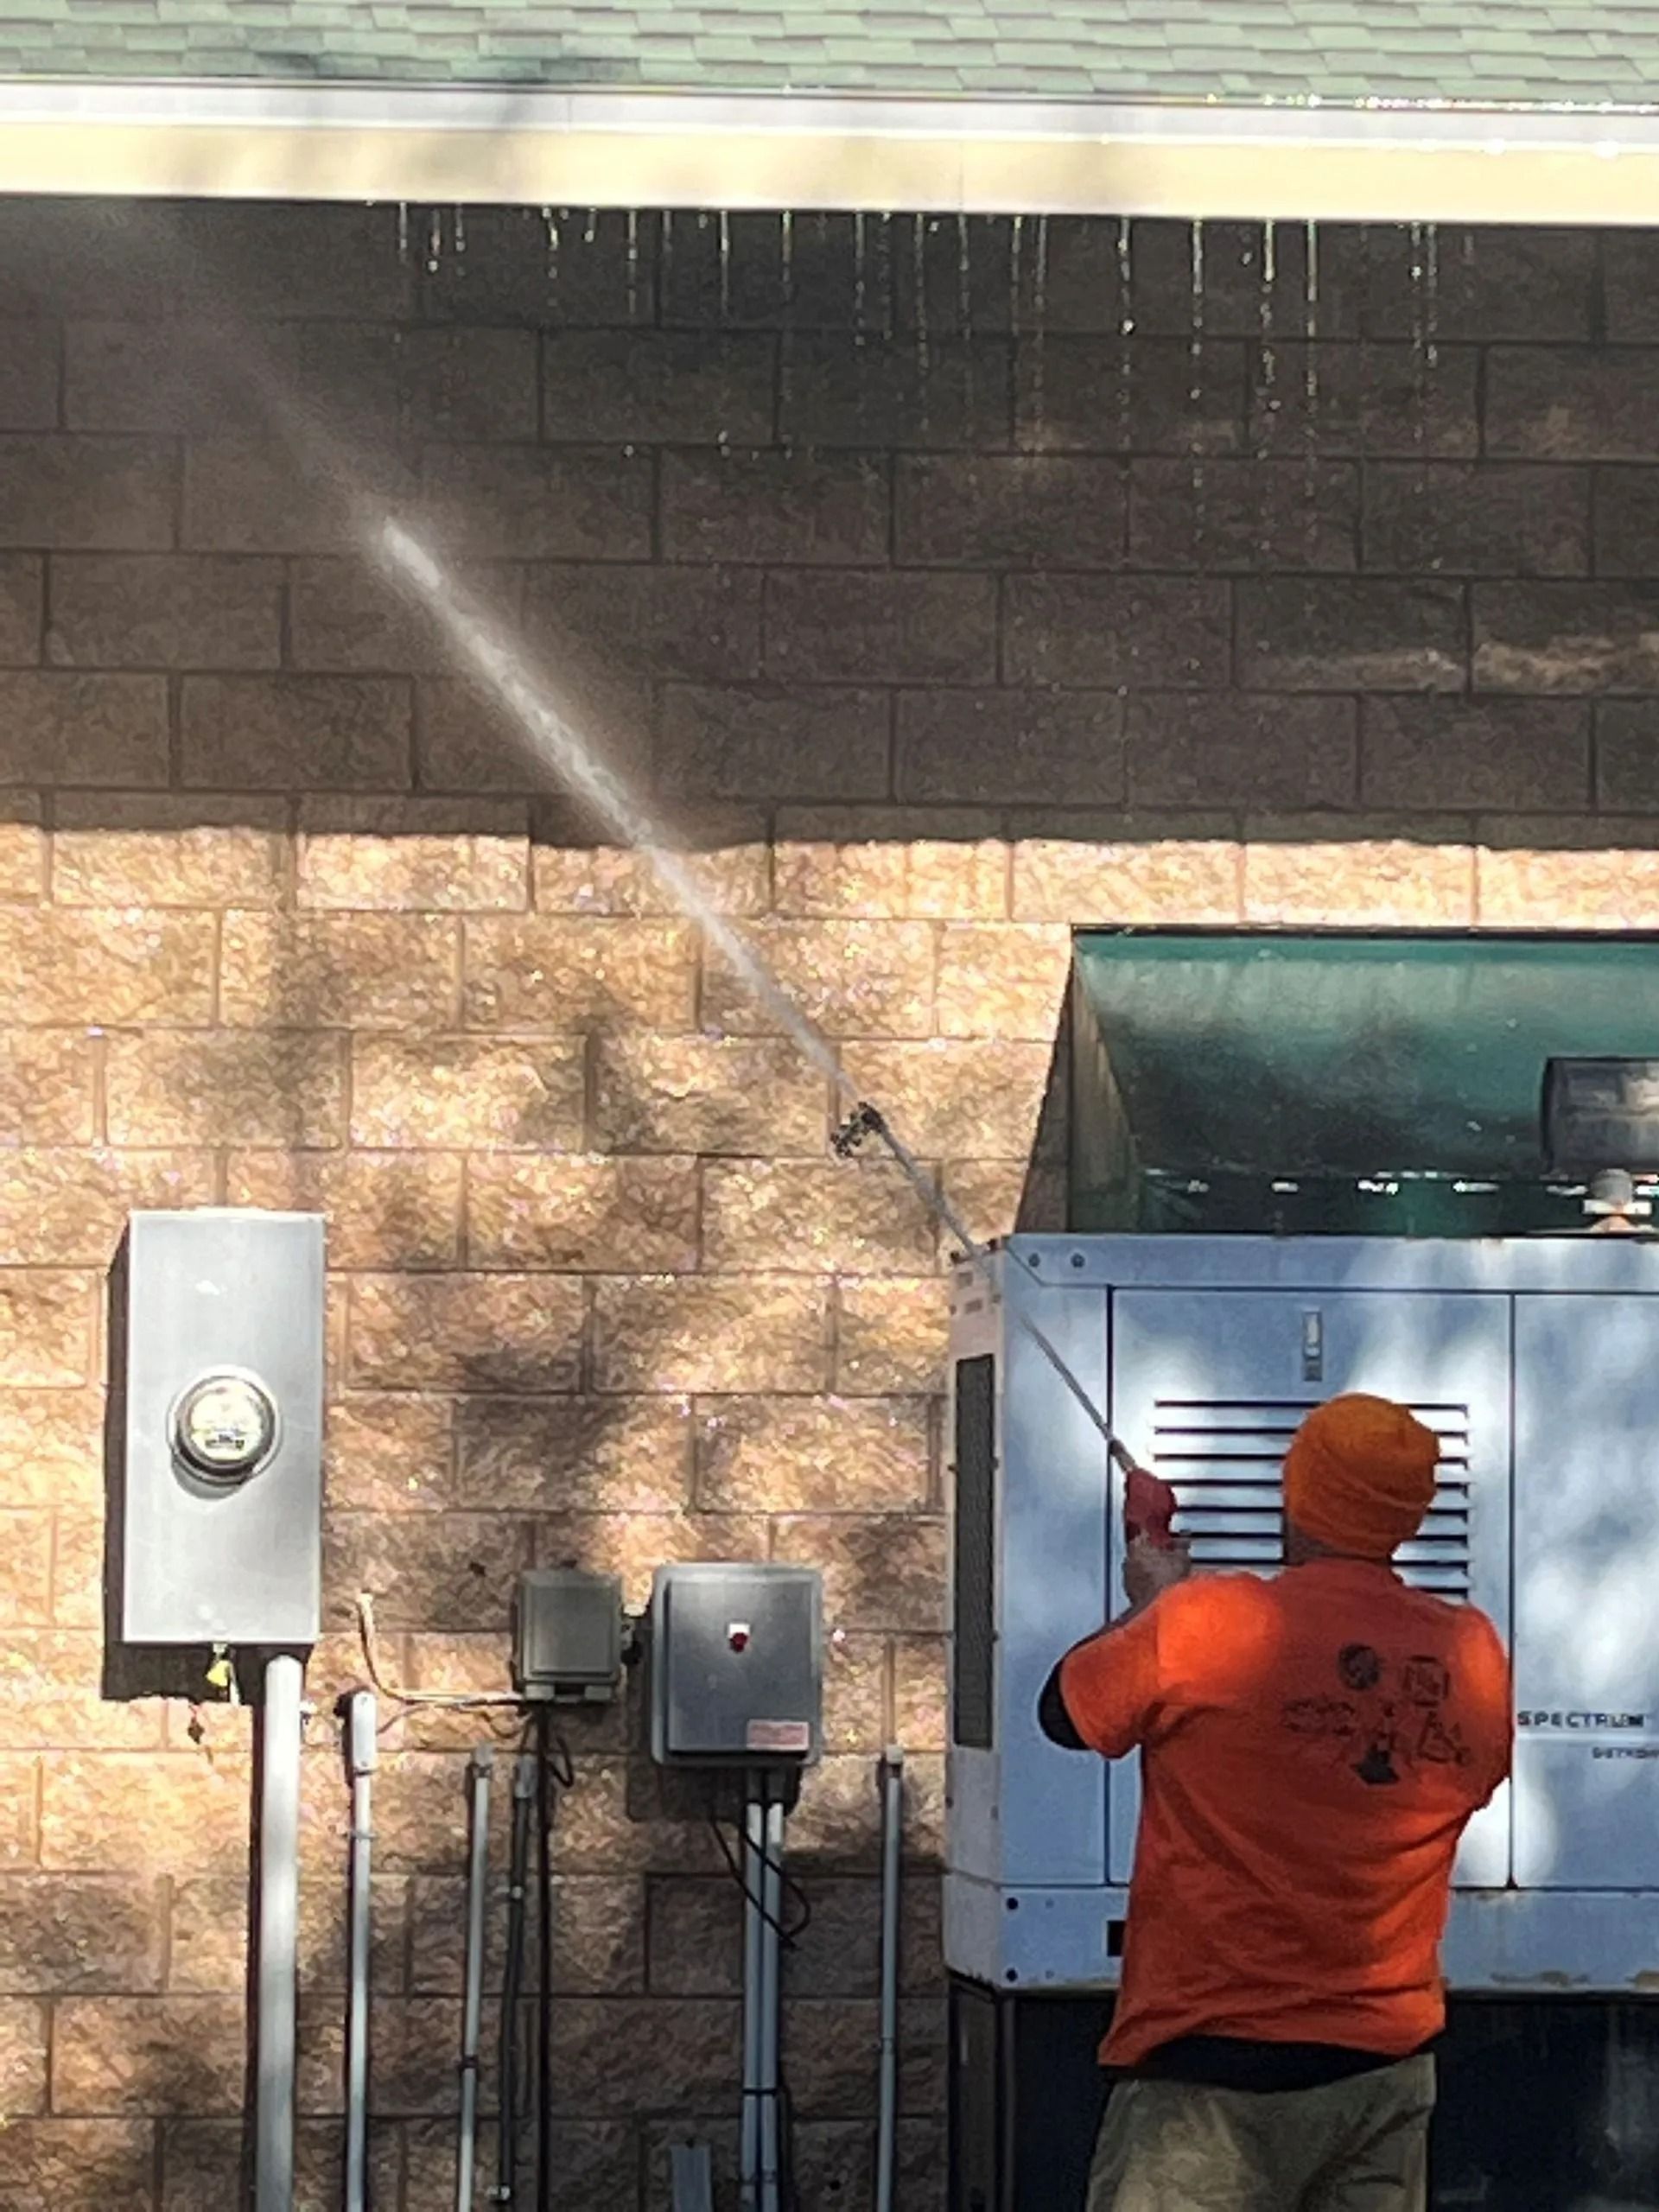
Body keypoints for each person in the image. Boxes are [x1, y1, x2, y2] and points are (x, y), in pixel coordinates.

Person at [1039, 1393, 1512, 2212]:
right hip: (1383, 2078)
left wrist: (1149, 1605)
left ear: (1296, 1498)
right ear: (1409, 1516)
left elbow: (1063, 1713)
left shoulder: (1209, 1623)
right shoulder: (1470, 1653)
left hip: (1210, 2080)